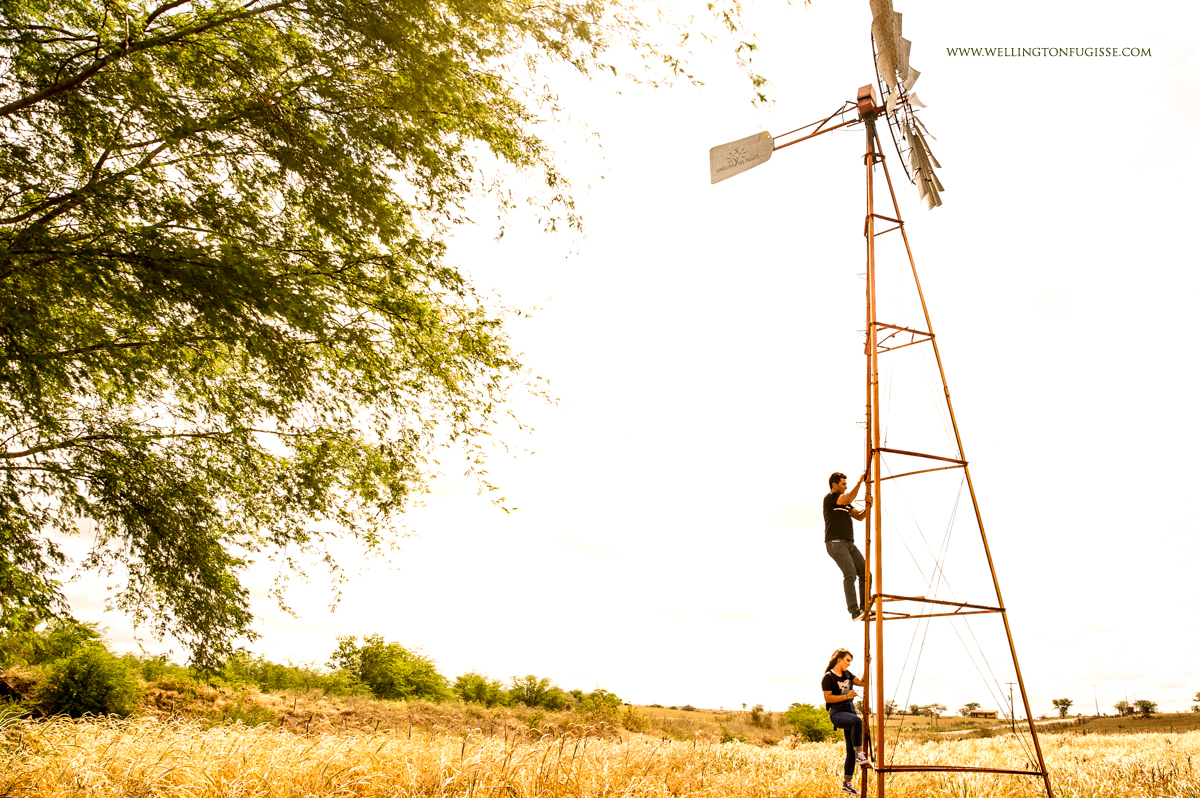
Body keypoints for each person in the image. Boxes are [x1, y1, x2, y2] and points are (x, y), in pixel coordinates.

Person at [824, 471, 873, 621]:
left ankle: (865, 608)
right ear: (835, 485)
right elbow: (848, 497)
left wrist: (869, 505)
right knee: (850, 572)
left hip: (849, 543)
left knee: (866, 573)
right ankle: (854, 610)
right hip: (835, 543)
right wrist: (860, 482)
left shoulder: (845, 504)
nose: (846, 487)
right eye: (843, 484)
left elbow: (859, 516)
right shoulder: (831, 498)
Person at [822, 647, 871, 794]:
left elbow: (862, 683)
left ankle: (846, 783)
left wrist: (867, 665)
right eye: (847, 660)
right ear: (839, 659)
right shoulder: (828, 677)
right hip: (837, 714)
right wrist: (847, 696)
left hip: (850, 712)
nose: (849, 664)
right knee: (857, 721)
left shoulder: (847, 674)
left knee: (850, 749)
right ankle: (859, 753)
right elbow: (828, 698)